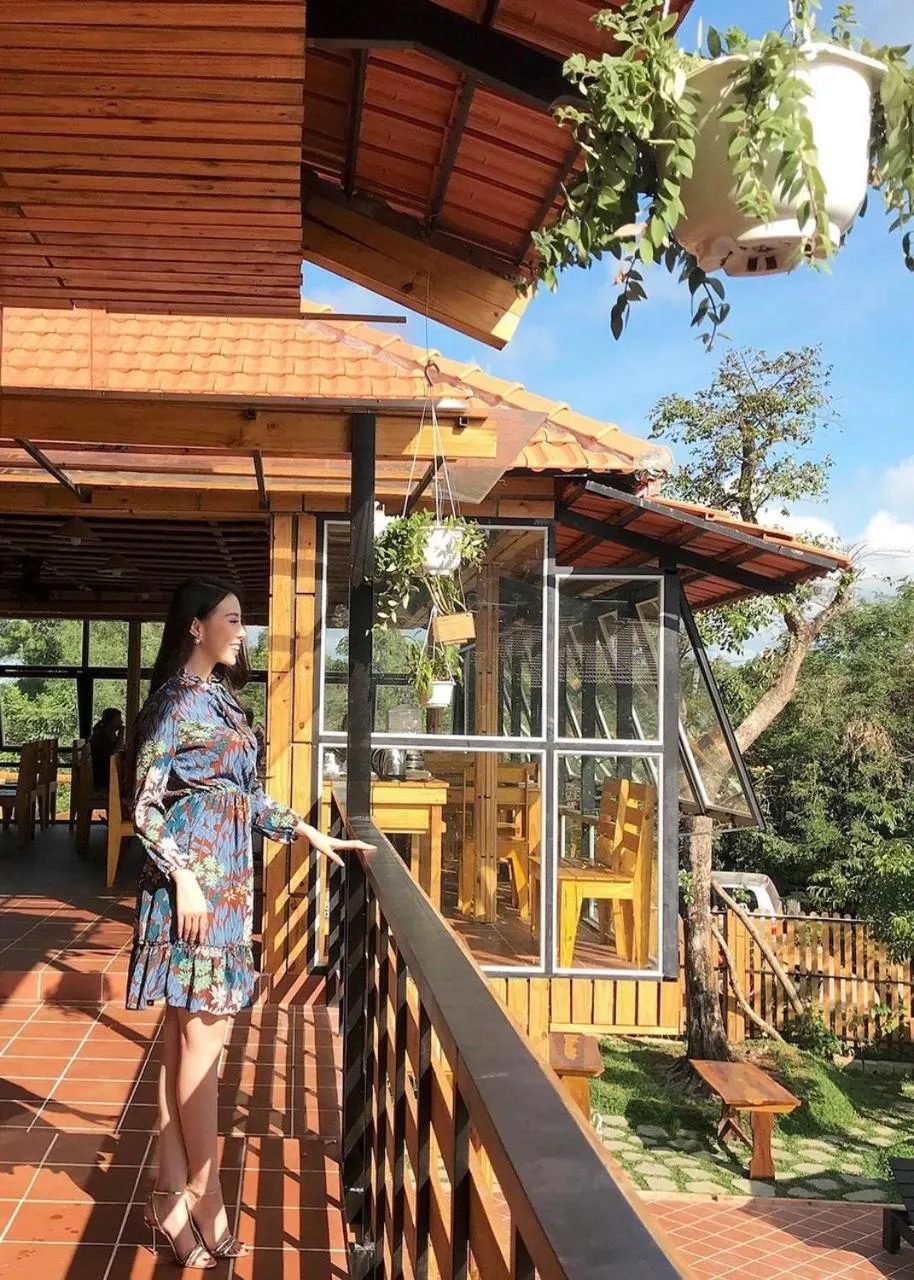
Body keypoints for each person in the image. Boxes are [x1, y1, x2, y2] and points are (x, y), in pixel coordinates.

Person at [127, 578, 372, 1269]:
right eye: (233, 621)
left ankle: (168, 1197)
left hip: (229, 895)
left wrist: (312, 836)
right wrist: (181, 876)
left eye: (244, 622)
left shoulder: (225, 701)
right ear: (198, 627)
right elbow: (143, 805)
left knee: (184, 1051)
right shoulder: (176, 702)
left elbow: (247, 796)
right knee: (199, 1054)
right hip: (193, 898)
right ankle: (206, 1199)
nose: (244, 632)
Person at [89, 706, 123, 789]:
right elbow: (112, 756)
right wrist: (121, 736)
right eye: (118, 719)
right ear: (111, 721)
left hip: (105, 772)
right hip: (101, 776)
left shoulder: (109, 735)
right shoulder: (100, 737)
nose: (121, 722)